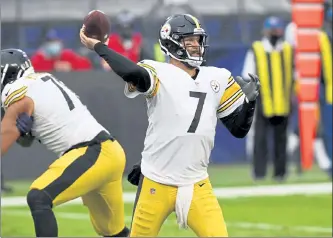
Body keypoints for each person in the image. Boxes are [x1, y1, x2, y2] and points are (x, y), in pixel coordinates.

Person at [80, 14, 260, 237]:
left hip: (197, 183)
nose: (196, 46)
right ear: (171, 42)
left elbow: (238, 130)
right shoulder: (158, 72)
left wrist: (249, 104)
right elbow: (133, 72)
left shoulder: (218, 77)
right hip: (157, 181)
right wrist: (99, 47)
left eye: (198, 40)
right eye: (189, 40)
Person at [0, 49, 129, 237]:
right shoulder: (42, 79)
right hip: (110, 151)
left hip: (92, 152)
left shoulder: (17, 92)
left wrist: (17, 131)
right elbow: (23, 138)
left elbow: (4, 139)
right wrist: (22, 132)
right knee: (114, 232)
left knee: (39, 197)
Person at [242, 16, 294, 181]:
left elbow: (294, 74)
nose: (274, 33)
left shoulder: (287, 49)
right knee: (260, 140)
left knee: (281, 140)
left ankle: (280, 173)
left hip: (283, 102)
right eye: (271, 30)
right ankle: (259, 172)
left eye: (277, 30)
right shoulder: (256, 49)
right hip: (263, 103)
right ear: (265, 31)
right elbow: (247, 75)